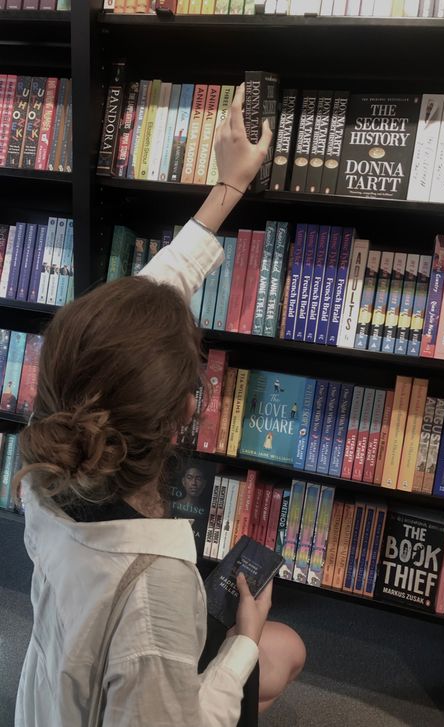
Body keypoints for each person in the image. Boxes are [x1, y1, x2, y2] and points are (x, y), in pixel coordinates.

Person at [14, 84, 306, 727]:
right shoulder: (157, 588)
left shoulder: (39, 466)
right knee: (278, 651)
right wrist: (243, 647)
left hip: (53, 693)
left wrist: (226, 190)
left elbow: (138, 313)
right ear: (182, 417)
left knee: (281, 650)